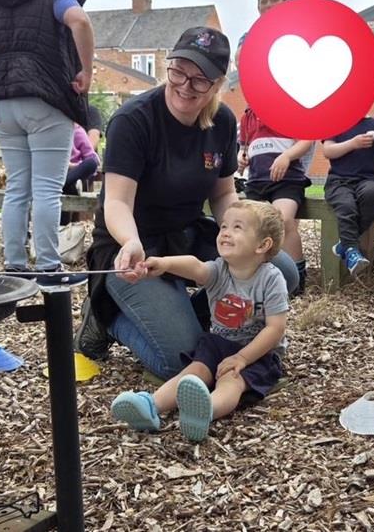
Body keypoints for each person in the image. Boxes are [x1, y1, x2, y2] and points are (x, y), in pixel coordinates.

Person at [74, 26, 299, 379]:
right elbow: (116, 202)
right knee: (178, 363)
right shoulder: (134, 120)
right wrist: (130, 243)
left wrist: (246, 232)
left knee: (279, 270)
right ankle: (107, 318)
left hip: (188, 234)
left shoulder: (222, 121)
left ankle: (177, 316)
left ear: (218, 83)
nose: (184, 85)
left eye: (200, 79)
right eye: (178, 70)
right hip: (134, 245)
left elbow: (223, 194)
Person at [110, 201, 289, 442]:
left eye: (237, 227)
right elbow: (195, 267)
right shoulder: (219, 270)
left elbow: (275, 328)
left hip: (257, 353)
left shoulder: (271, 279)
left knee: (231, 380)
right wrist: (164, 263)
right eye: (223, 225)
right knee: (194, 371)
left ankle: (206, 410)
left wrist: (242, 358)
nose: (225, 232)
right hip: (219, 342)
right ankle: (151, 405)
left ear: (262, 245)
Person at [0, 0, 94, 288]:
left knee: (17, 187)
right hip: (45, 96)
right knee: (47, 188)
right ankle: (49, 268)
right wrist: (87, 71)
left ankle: (15, 267)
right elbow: (80, 21)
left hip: (2, 100)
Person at [237, 108, 313, 294]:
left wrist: (286, 156)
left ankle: (296, 278)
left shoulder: (288, 109)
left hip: (287, 180)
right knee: (253, 225)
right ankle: (256, 278)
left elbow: (306, 140)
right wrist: (242, 157)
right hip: (257, 180)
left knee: (284, 220)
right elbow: (244, 147)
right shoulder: (247, 117)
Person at [321, 116, 374, 275]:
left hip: (369, 179)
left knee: (371, 196)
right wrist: (353, 143)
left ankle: (345, 244)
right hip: (339, 180)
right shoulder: (334, 123)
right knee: (346, 205)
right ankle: (351, 250)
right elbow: (328, 151)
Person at [60, 123, 100, 226]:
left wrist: (72, 165)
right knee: (67, 188)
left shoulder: (77, 130)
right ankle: (67, 185)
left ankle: (64, 184)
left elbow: (93, 158)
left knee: (91, 163)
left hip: (73, 173)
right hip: (55, 173)